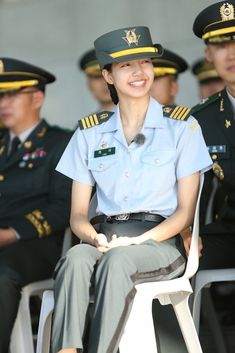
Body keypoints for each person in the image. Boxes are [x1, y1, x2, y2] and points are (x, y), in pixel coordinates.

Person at [52, 26, 212, 353]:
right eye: (126, 65)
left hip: (160, 240)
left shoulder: (182, 127)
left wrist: (139, 240)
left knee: (119, 262)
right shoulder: (88, 134)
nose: (139, 72)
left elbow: (184, 211)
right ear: (108, 76)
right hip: (105, 236)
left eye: (144, 62)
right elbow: (79, 215)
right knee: (77, 258)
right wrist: (93, 237)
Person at [0, 57, 72, 353]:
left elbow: (64, 206)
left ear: (37, 98)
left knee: (2, 274)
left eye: (12, 94)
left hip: (38, 245)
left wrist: (10, 233)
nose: (3, 103)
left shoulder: (62, 142)